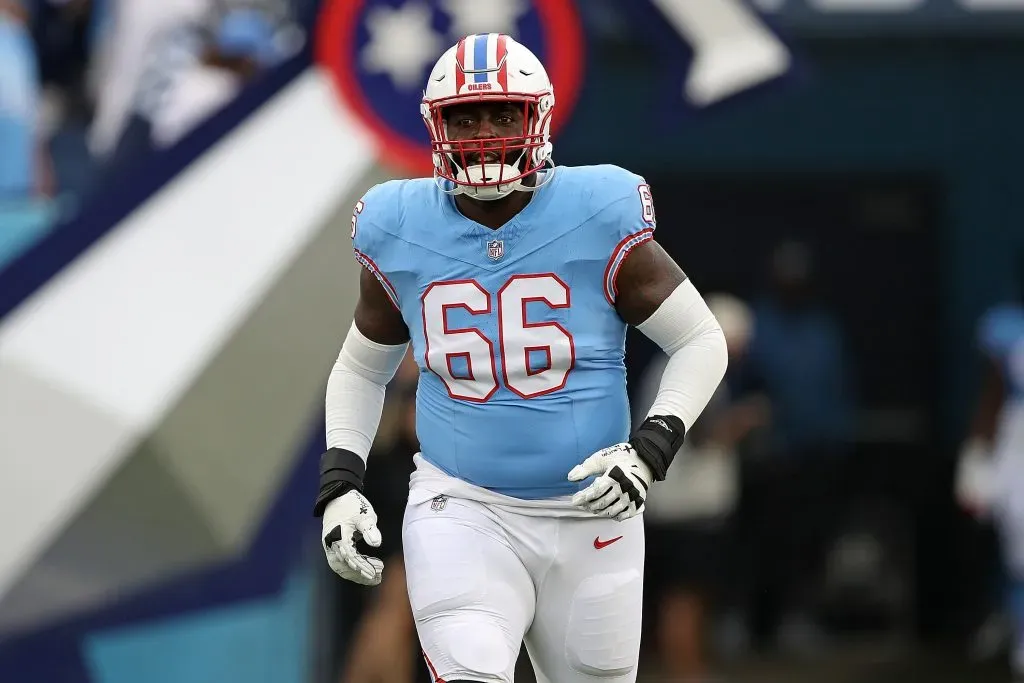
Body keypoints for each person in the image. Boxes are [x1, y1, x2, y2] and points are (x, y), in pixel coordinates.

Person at [314, 33, 728, 683]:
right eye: (465, 115)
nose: (483, 131)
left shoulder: (598, 209)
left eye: (503, 112)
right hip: (463, 505)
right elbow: (362, 366)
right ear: (435, 125)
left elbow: (700, 339)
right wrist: (340, 482)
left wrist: (650, 448)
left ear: (537, 117)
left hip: (593, 509)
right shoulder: (399, 224)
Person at [957, 254, 1024, 681]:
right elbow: (992, 393)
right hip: (1019, 448)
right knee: (1019, 552)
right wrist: (977, 456)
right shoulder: (1006, 325)